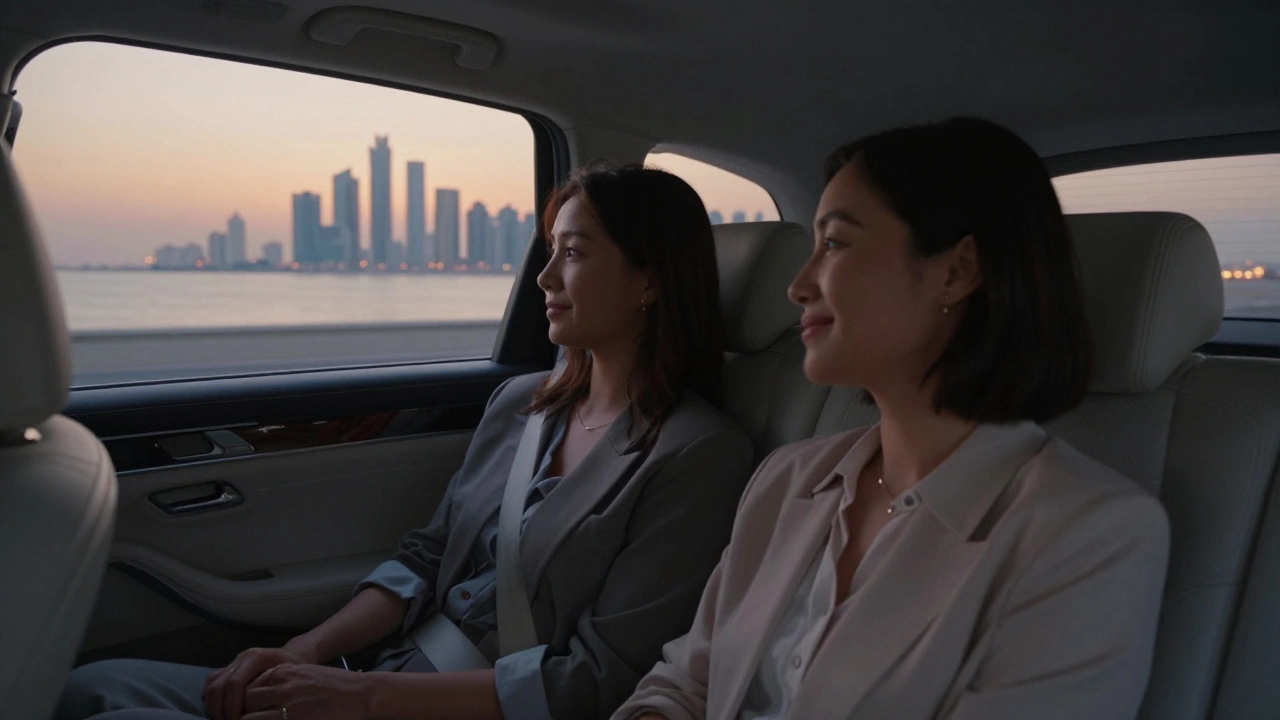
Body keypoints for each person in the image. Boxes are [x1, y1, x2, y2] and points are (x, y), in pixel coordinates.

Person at [59, 165, 756, 720]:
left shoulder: (697, 457)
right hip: (384, 673)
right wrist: (303, 656)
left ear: (650, 280)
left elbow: (598, 681)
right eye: (550, 254)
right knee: (96, 687)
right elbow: (424, 559)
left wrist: (356, 702)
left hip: (446, 706)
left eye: (572, 255)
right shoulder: (522, 406)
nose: (545, 279)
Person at [613, 117, 1170, 720]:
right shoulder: (789, 479)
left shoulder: (1090, 535)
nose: (799, 286)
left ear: (956, 271)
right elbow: (686, 684)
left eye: (835, 243)